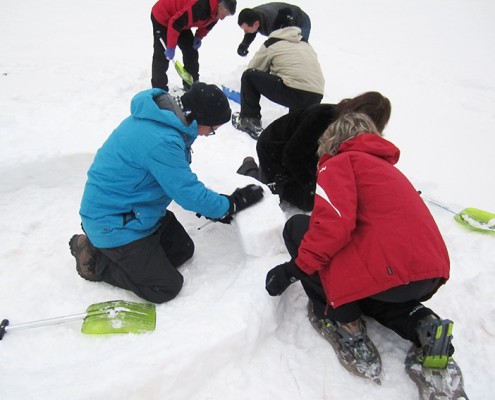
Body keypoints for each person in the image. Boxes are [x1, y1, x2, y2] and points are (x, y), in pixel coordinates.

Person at [264, 113, 455, 382]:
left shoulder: (341, 162)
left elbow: (332, 226)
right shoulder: (388, 169)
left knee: (297, 227)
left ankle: (343, 321)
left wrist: (293, 269)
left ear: (331, 140)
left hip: (389, 273)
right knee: (369, 290)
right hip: (428, 274)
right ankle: (421, 322)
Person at [69, 83, 263, 304]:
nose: (211, 134)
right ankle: (93, 259)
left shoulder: (162, 119)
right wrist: (231, 205)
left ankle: (119, 251)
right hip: (113, 221)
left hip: (135, 210)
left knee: (182, 251)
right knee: (165, 286)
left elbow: (176, 180)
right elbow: (186, 192)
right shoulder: (161, 140)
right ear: (199, 118)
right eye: (212, 129)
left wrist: (215, 208)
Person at [236, 92, 391, 211]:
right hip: (275, 148)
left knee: (313, 199)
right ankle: (250, 169)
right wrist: (312, 184)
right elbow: (292, 155)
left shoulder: (357, 133)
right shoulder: (321, 118)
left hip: (306, 155)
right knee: (271, 195)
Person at [232, 26, 325, 139]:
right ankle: (299, 129)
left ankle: (249, 121)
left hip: (294, 91)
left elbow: (254, 69)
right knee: (297, 125)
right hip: (316, 94)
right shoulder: (305, 44)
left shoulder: (272, 43)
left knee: (248, 76)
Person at [151, 0, 237, 91]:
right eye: (224, 14)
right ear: (220, 6)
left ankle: (191, 86)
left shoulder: (216, 13)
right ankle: (159, 90)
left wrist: (199, 36)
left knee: (191, 51)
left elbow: (207, 26)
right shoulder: (200, 7)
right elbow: (175, 23)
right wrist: (171, 47)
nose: (223, 18)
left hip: (181, 20)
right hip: (163, 16)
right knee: (162, 56)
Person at [236, 2, 311, 57]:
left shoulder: (275, 23)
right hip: (282, 23)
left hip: (300, 22)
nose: (245, 32)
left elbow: (283, 41)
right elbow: (251, 31)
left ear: (256, 24)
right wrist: (244, 45)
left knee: (297, 50)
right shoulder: (252, 16)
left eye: (246, 30)